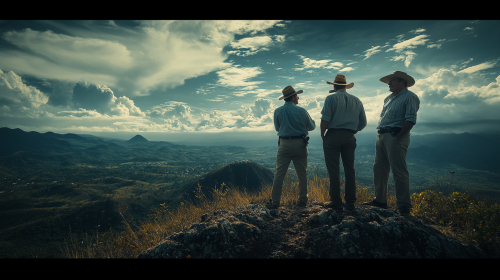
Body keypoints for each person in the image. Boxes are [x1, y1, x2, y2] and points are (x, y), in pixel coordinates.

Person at [362, 71, 420, 216]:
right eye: (389, 81)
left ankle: (404, 206)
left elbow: (411, 119)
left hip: (395, 135)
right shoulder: (388, 98)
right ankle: (380, 200)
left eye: (393, 80)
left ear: (402, 83)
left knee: (398, 170)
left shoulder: (410, 96)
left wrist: (399, 136)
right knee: (379, 169)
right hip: (381, 135)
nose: (389, 83)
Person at [320, 74, 367, 211]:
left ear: (334, 86)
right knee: (350, 169)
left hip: (333, 135)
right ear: (345, 87)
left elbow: (325, 119)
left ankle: (336, 200)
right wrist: (354, 130)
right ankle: (350, 202)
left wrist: (323, 134)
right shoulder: (357, 100)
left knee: (333, 170)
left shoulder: (330, 98)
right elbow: (363, 122)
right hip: (349, 136)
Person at [267, 85, 316, 209]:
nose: (298, 98)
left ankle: (275, 201)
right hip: (301, 144)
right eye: (297, 96)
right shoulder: (302, 111)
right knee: (302, 174)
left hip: (284, 144)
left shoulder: (277, 111)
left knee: (279, 174)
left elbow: (278, 128)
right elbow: (312, 127)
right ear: (293, 97)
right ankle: (303, 200)